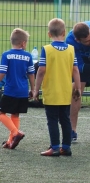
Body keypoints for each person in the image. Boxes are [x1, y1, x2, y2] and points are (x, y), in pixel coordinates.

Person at [33, 18, 81, 157]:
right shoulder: (71, 49)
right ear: (64, 32)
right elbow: (76, 70)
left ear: (49, 34)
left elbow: (41, 71)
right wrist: (77, 88)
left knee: (52, 120)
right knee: (65, 119)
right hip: (66, 92)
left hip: (52, 92)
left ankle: (54, 147)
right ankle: (66, 147)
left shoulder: (47, 50)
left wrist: (36, 89)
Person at [0, 28, 35, 149]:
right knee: (15, 115)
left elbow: (2, 72)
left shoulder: (6, 55)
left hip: (10, 90)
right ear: (23, 43)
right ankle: (10, 141)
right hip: (22, 91)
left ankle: (15, 133)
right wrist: (33, 89)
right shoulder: (28, 56)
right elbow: (31, 74)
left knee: (1, 113)